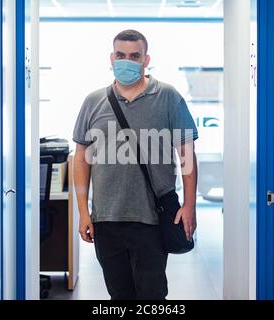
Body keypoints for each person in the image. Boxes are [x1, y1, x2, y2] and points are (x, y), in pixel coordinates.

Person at [73, 29, 198, 300]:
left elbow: (186, 152)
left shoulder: (168, 97)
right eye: (121, 55)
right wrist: (83, 212)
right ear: (111, 58)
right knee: (119, 295)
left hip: (151, 217)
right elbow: (81, 158)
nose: (127, 61)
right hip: (107, 219)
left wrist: (190, 205)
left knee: (152, 295)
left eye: (134, 56)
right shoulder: (93, 101)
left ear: (146, 59)